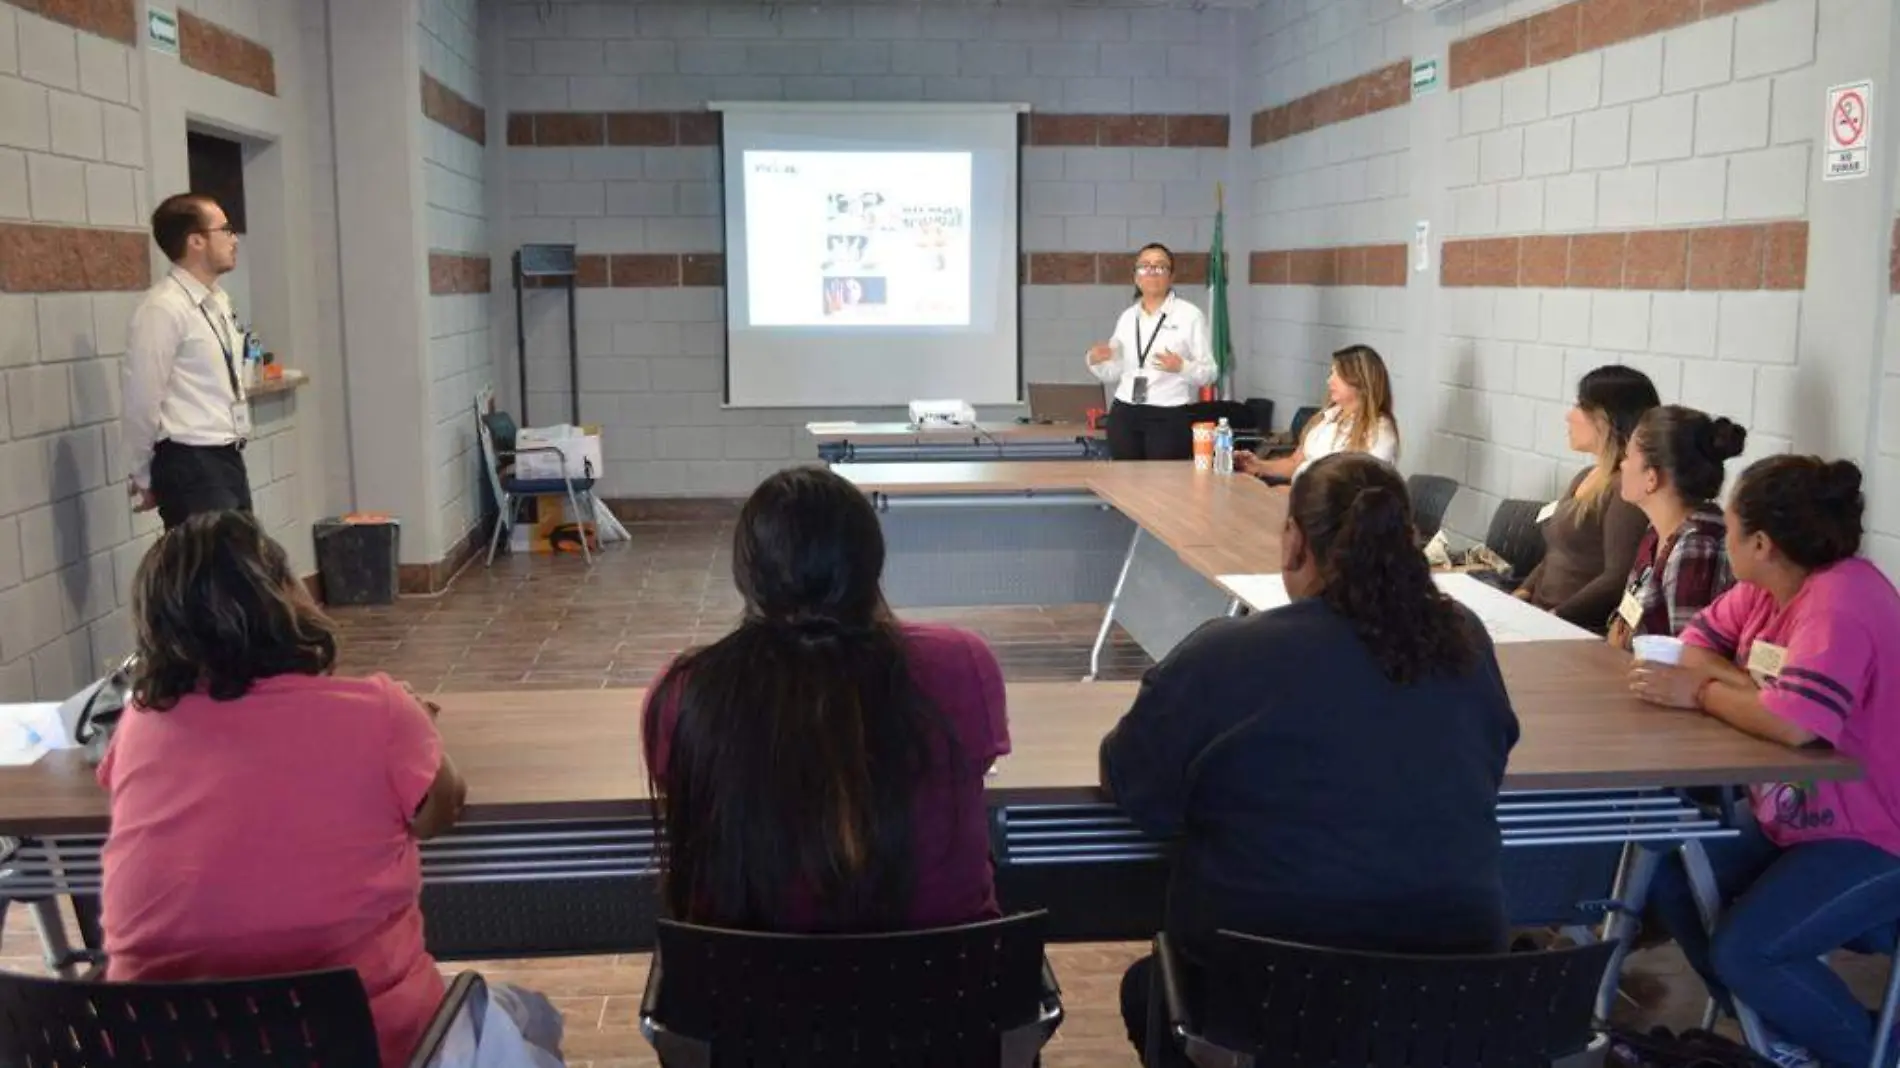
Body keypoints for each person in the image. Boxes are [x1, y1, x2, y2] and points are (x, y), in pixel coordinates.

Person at [97, 512, 564, 1067]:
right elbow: (440, 811)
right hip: (366, 1043)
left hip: (164, 1047)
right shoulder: (382, 712)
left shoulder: (140, 726)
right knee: (534, 1018)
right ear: (285, 596)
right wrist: (415, 721)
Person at [1101, 453, 1519, 1063]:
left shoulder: (1227, 655)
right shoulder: (1464, 640)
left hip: (1264, 1006)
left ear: (1294, 542)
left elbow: (1136, 788)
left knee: (1150, 988)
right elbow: (1490, 761)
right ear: (1408, 543)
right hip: (1446, 1003)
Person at [642, 466, 1010, 932]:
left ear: (746, 577)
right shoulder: (963, 663)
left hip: (747, 995)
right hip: (950, 989)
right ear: (872, 562)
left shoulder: (685, 693)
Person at [1631, 456, 1900, 1068]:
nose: (1721, 540)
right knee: (1671, 872)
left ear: (1761, 542)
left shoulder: (1841, 603)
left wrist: (1706, 693)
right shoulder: (1765, 589)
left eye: (1728, 528)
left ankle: (1866, 1052)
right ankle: (1774, 1035)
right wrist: (1751, 691)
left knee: (1747, 952)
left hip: (1875, 833)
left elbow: (1794, 724)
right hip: (1801, 818)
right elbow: (1693, 646)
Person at [121, 193, 255, 532]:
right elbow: (142, 398)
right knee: (214, 577)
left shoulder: (217, 301)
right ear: (196, 240)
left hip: (226, 457)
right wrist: (143, 473)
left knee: (242, 570)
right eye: (225, 229)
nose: (233, 239)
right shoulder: (163, 308)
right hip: (190, 463)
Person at [1515, 365, 1659, 631]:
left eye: (1580, 406)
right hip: (1541, 614)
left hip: (1573, 626)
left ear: (1606, 419)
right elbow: (1556, 552)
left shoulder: (1623, 489)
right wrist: (1522, 593)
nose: (1569, 416)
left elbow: (1616, 577)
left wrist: (1556, 616)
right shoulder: (1585, 476)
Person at [1609, 406, 1747, 650]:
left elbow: (1686, 655)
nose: (1622, 465)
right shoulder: (1657, 530)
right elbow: (1623, 621)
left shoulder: (1696, 544)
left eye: (1629, 456)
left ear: (1652, 478)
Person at [1086, 243, 1216, 461]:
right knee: (1124, 486)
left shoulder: (1190, 315)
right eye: (1145, 266)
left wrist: (1182, 367)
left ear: (1171, 276)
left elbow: (1210, 372)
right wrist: (1095, 360)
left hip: (1167, 414)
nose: (1152, 272)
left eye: (1160, 267)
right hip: (1124, 412)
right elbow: (1114, 372)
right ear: (1136, 276)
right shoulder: (1128, 317)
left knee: (1162, 488)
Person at [1236, 345, 1400, 481]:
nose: (1329, 381)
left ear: (1361, 381)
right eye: (1331, 373)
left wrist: (1295, 495)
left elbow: (1353, 490)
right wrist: (1259, 466)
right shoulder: (1327, 417)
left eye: (1339, 374)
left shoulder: (1379, 432)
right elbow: (1295, 463)